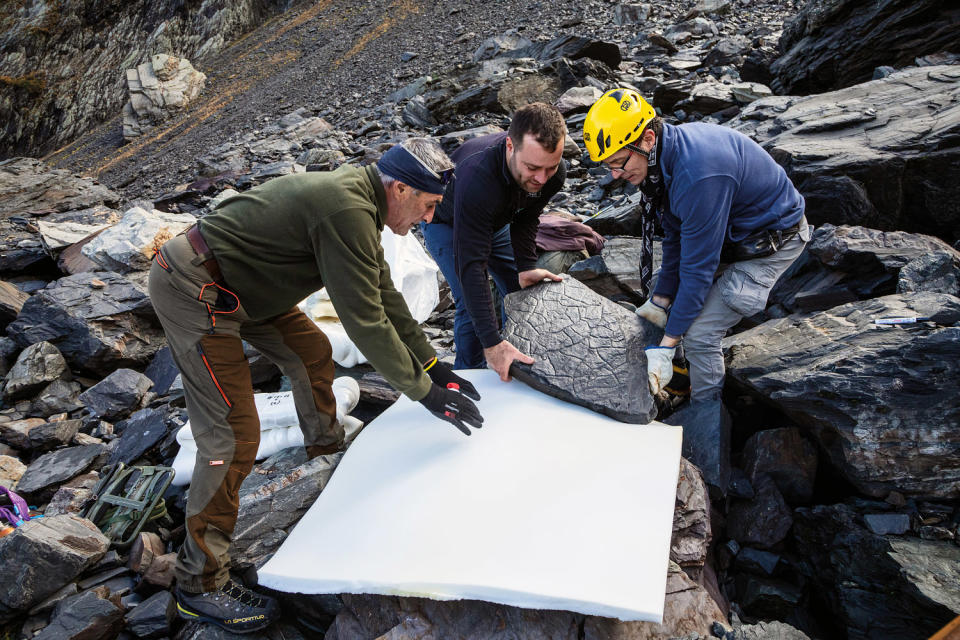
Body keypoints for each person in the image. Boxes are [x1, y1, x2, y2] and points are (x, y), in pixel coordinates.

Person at [148, 138, 483, 633]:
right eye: (428, 206)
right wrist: (424, 393)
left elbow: (385, 294)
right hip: (196, 293)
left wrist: (433, 365)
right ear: (401, 189)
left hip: (245, 288)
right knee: (233, 436)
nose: (429, 219)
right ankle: (198, 585)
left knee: (311, 351)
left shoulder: (362, 204)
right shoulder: (346, 209)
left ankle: (323, 448)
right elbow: (366, 322)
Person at [582, 88, 810, 404]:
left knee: (701, 335)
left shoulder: (699, 175)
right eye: (609, 166)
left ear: (647, 139)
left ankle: (705, 415)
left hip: (772, 244)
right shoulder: (666, 158)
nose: (616, 174)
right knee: (668, 293)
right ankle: (682, 377)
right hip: (735, 235)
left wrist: (668, 345)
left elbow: (698, 270)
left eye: (620, 162)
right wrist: (659, 302)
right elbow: (675, 239)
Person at [422, 102, 568, 380]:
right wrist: (491, 342)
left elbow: (527, 216)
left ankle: (523, 359)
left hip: (498, 218)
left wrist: (526, 265)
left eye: (550, 168)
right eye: (533, 167)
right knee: (470, 298)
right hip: (447, 222)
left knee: (519, 287)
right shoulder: (477, 176)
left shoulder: (551, 173)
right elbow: (472, 267)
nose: (541, 178)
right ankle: (468, 375)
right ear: (510, 147)